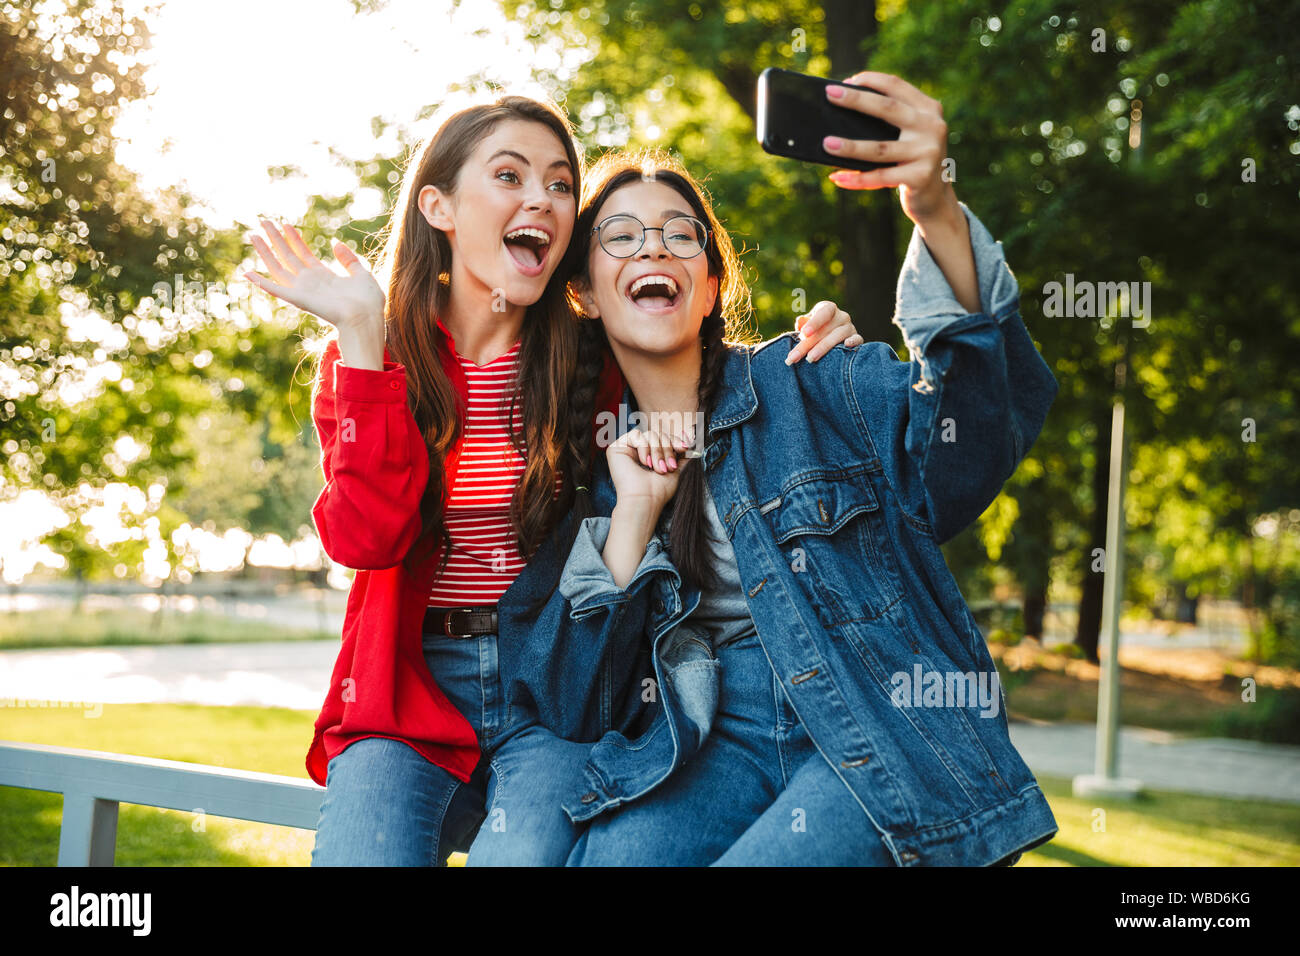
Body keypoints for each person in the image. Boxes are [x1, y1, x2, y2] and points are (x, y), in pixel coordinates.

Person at [243, 93, 861, 866]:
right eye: (509, 175)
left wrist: (815, 345)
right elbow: (369, 538)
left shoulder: (590, 358)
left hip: (557, 692)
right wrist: (363, 335)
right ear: (437, 205)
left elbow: (694, 351)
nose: (541, 197)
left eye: (561, 183)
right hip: (409, 697)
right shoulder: (367, 362)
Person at [475, 70, 1061, 866]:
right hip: (716, 732)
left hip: (874, 713)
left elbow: (968, 448)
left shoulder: (813, 376)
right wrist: (638, 513)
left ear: (712, 284)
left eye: (682, 235)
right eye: (622, 235)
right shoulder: (595, 469)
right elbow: (572, 704)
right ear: (580, 291)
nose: (655, 246)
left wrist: (935, 211)